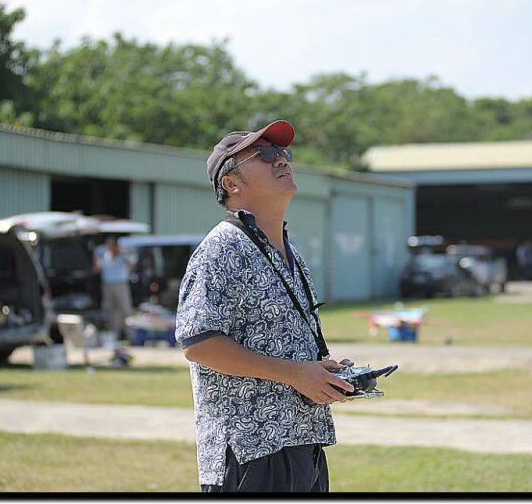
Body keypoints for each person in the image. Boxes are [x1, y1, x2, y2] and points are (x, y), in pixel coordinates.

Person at [175, 119, 354, 493]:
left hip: (303, 442)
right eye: (266, 154)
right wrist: (295, 373)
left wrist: (320, 372)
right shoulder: (221, 248)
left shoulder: (289, 254)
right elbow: (199, 344)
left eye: (284, 153)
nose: (281, 161)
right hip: (250, 453)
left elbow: (283, 351)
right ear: (231, 184)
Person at [93, 237, 135, 340]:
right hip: (107, 284)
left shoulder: (124, 255)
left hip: (121, 284)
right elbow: (96, 270)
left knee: (125, 309)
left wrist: (121, 254)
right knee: (111, 310)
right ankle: (114, 334)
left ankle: (130, 335)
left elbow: (132, 267)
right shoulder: (104, 255)